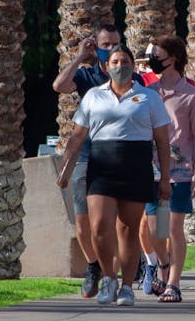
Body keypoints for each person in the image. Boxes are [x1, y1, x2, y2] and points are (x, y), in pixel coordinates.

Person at [57, 45, 171, 306]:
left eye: (125, 61)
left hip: (135, 166)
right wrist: (66, 168)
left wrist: (165, 178)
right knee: (98, 227)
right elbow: (77, 136)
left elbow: (163, 142)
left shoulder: (148, 97)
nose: (120, 66)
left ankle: (127, 287)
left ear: (133, 65)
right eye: (115, 62)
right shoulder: (94, 96)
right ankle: (108, 277)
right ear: (107, 67)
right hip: (102, 165)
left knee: (128, 230)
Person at [51, 23, 144, 298]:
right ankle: (94, 266)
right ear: (96, 47)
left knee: (115, 222)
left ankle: (115, 275)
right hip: (87, 155)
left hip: (119, 160)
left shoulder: (131, 79)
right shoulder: (86, 76)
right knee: (83, 223)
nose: (110, 49)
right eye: (105, 45)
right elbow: (59, 86)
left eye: (115, 43)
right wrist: (80, 56)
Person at [143, 36, 195, 303]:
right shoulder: (150, 93)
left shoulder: (191, 95)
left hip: (180, 173)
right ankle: (164, 262)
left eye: (157, 56)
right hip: (151, 171)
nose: (152, 61)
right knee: (154, 231)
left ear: (172, 58)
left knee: (173, 228)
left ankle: (174, 283)